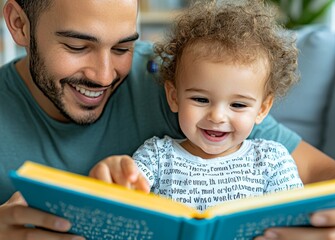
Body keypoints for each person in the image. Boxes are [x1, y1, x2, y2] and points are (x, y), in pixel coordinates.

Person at [0, 0, 335, 239]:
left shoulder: (181, 78)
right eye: (77, 47)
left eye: (123, 47)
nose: (105, 75)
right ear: (19, 24)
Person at [89, 0, 305, 213]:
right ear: (174, 97)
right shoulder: (156, 156)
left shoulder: (272, 160)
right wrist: (116, 179)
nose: (217, 116)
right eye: (201, 100)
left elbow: (293, 219)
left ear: (262, 109)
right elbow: (126, 199)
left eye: (238, 104)